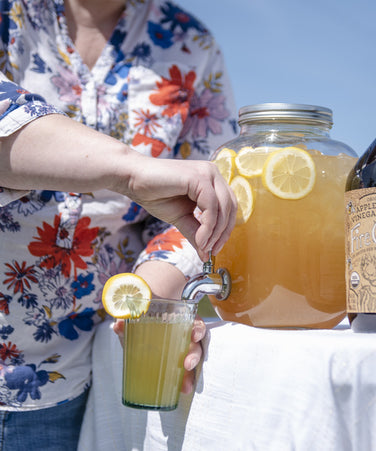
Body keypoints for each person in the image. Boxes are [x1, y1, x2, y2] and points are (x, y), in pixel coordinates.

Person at [0, 0, 237, 448]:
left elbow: (192, 207)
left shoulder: (193, 45)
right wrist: (130, 169)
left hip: (82, 373)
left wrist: (148, 305)